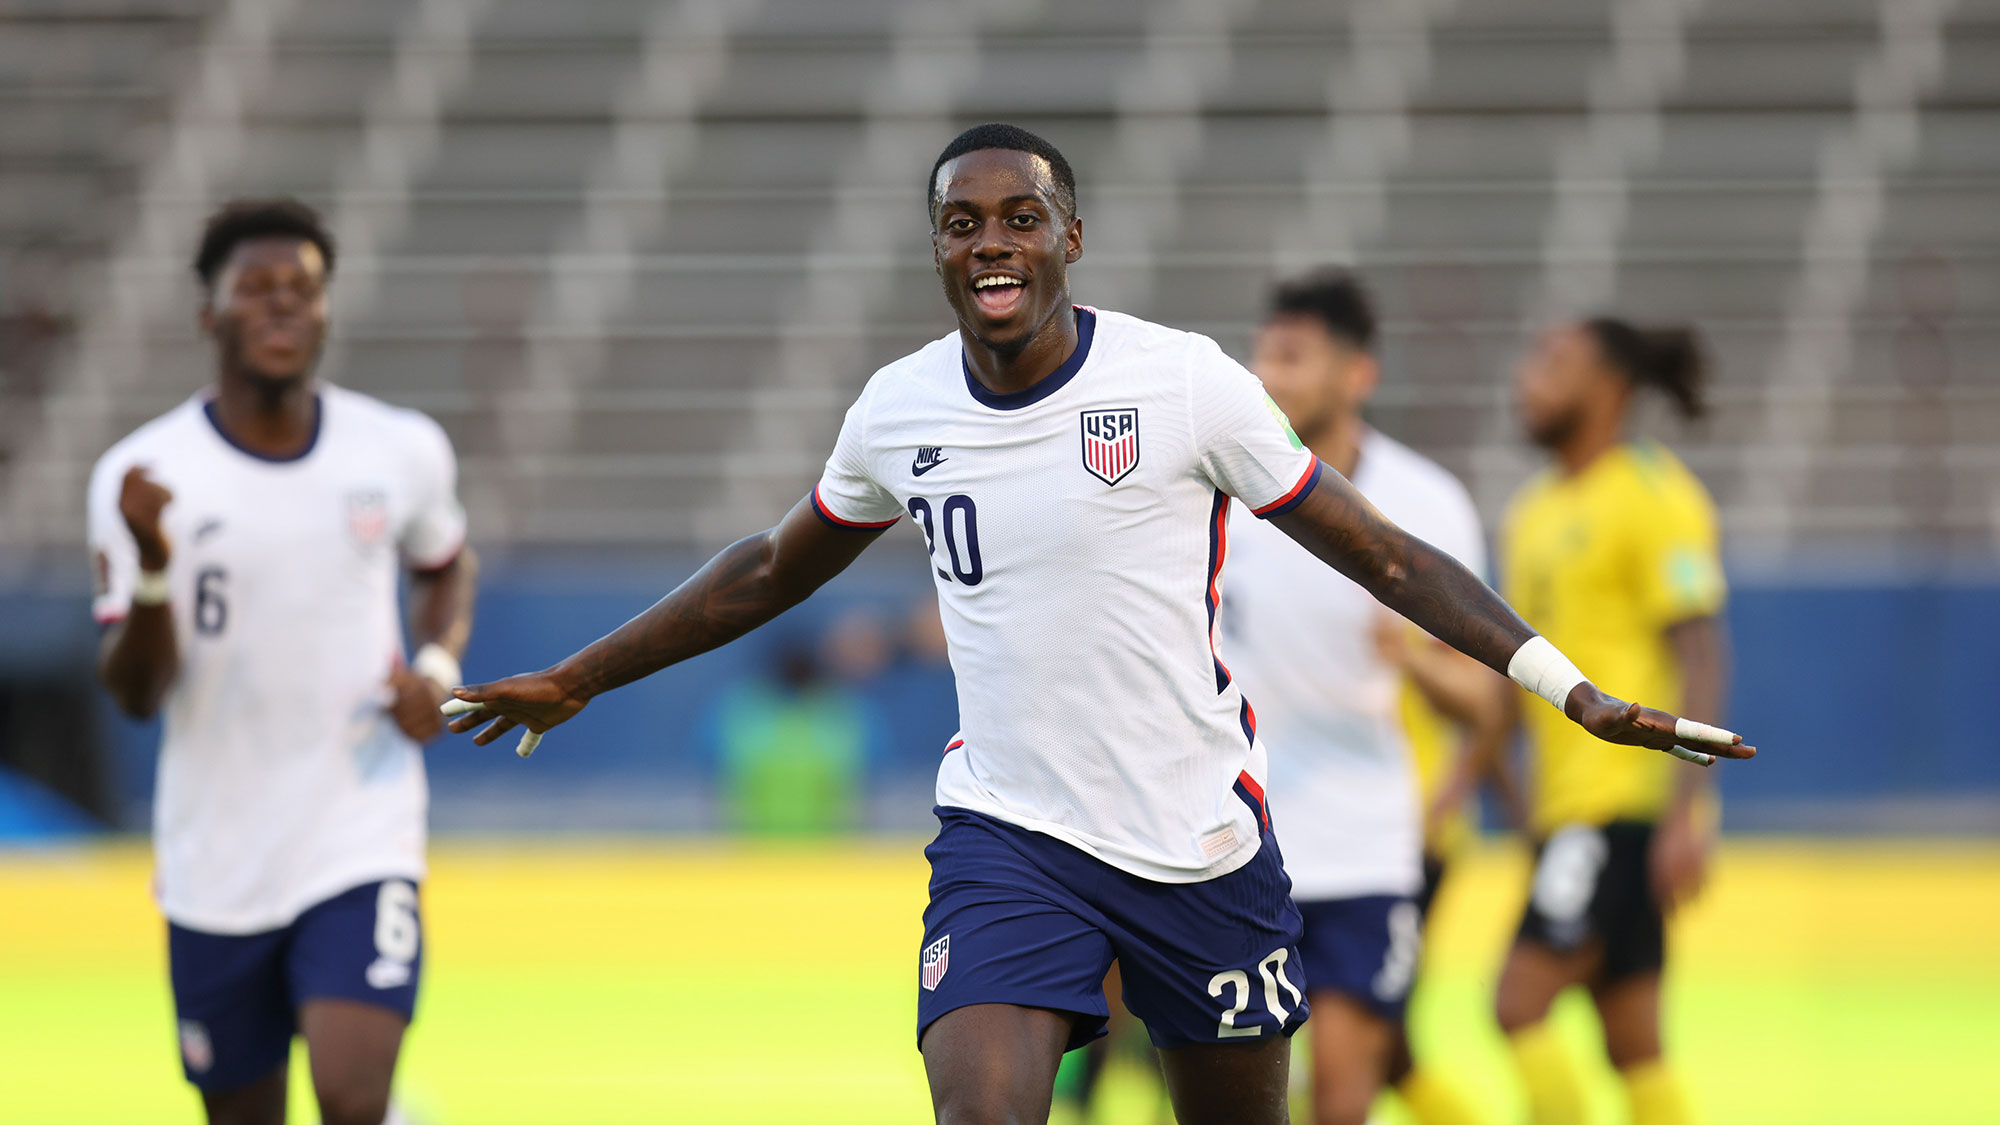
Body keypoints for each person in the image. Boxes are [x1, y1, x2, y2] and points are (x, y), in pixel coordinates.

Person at [441, 124, 1750, 1125]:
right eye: (963, 223)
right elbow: (768, 570)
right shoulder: (899, 411)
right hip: (1012, 837)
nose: (991, 242)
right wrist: (580, 676)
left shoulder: (1184, 385)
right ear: (938, 246)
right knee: (984, 1104)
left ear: (1073, 235)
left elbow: (1390, 558)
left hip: (1202, 842)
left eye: (1022, 217)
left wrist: (1563, 686)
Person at [88, 199, 476, 1125]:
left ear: (327, 309)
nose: (280, 306)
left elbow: (446, 561)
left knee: (350, 1093)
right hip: (216, 853)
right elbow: (137, 692)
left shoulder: (398, 448)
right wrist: (150, 567)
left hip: (359, 823)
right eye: (254, 288)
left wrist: (434, 665)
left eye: (301, 289)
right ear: (208, 315)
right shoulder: (144, 476)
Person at [1222, 269, 1498, 1125]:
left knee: (1343, 1094)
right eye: (1265, 354)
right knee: (1228, 1093)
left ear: (1356, 374)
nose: (1270, 375)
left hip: (1367, 840)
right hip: (1235, 839)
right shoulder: (1218, 492)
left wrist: (1414, 660)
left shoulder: (1423, 505)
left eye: (1295, 357)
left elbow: (1484, 702)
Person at [1493, 318, 1730, 1125]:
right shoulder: (1531, 511)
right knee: (1634, 1042)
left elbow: (1700, 650)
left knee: (1517, 1004)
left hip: (1618, 808)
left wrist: (1690, 810)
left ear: (1609, 388)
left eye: (1552, 361)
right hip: (1568, 811)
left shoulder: (1654, 495)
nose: (1529, 377)